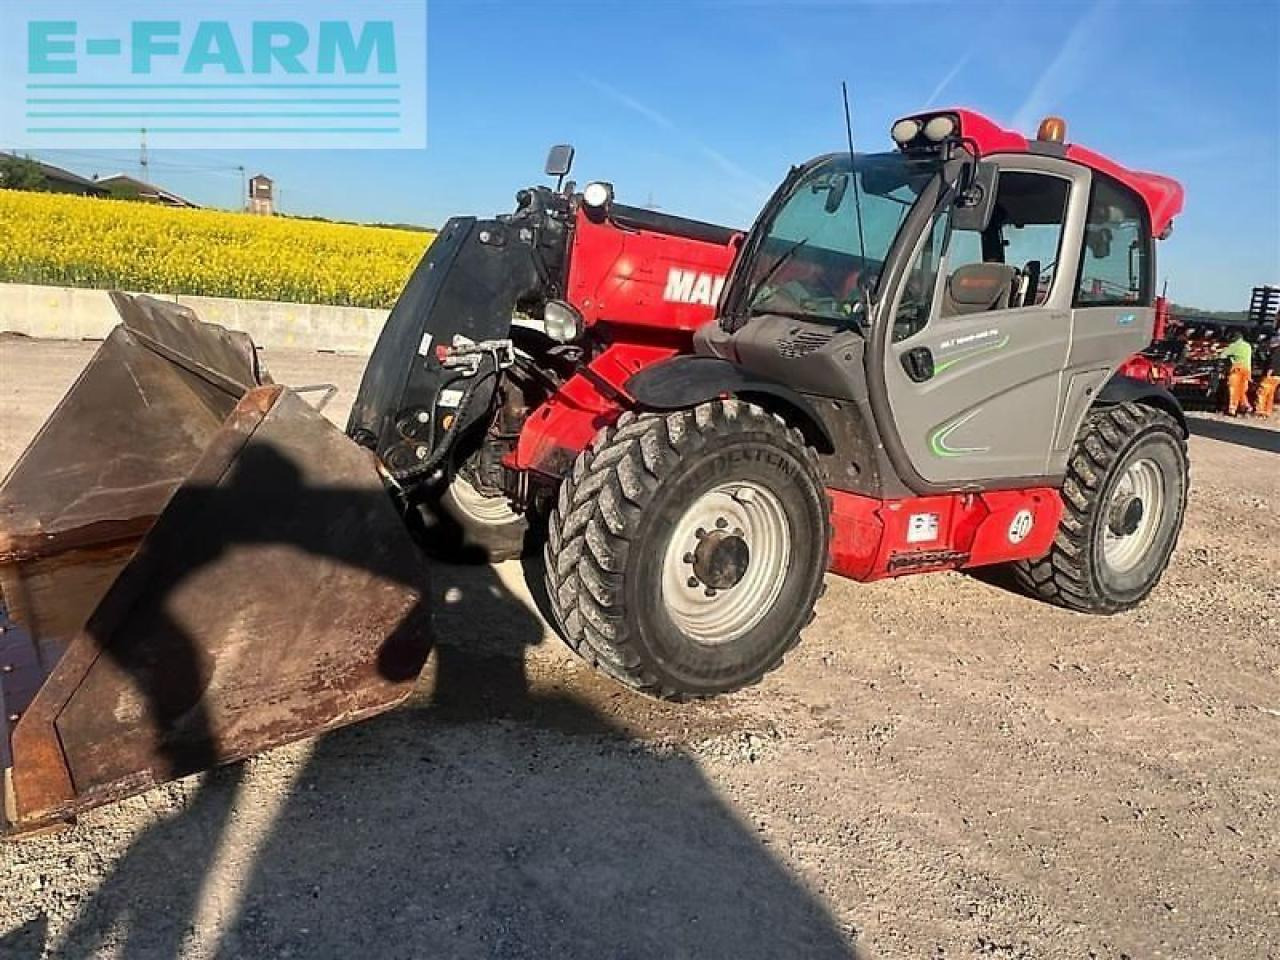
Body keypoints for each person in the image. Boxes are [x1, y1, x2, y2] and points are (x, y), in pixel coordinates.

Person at [1217, 330, 1253, 416]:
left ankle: (1232, 410)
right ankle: (1247, 406)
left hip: (1236, 370)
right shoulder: (1248, 345)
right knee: (1242, 390)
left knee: (1233, 389)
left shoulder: (1234, 345)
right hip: (1247, 370)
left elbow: (1222, 355)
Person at [1254, 326, 1280, 417]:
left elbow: (1272, 362)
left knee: (1262, 393)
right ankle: (1267, 412)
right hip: (1277, 376)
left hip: (1271, 375)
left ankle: (1259, 411)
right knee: (1270, 394)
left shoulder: (1275, 350)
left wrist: (1268, 373)